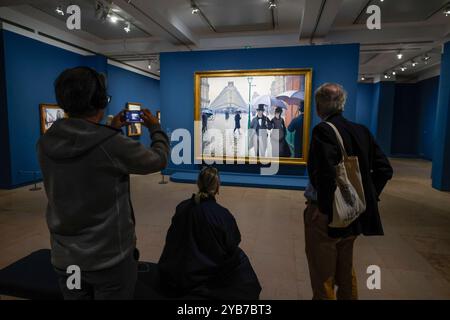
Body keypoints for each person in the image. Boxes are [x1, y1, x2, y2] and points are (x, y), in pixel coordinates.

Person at [37, 66, 170, 300]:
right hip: (108, 260)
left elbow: (84, 146)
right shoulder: (112, 144)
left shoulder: (45, 143)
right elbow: (158, 160)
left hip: (67, 260)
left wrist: (110, 129)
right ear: (100, 100)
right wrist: (155, 128)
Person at [305, 83, 393, 300]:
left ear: (319, 106)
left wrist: (324, 210)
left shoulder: (323, 131)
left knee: (322, 274)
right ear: (342, 104)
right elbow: (385, 169)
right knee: (345, 273)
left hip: (328, 215)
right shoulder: (361, 131)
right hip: (353, 213)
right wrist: (365, 197)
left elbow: (325, 175)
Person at [158, 167, 261, 300]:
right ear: (217, 186)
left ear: (198, 183)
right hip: (203, 275)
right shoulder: (222, 214)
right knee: (241, 260)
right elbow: (233, 242)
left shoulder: (182, 207)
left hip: (176, 269)